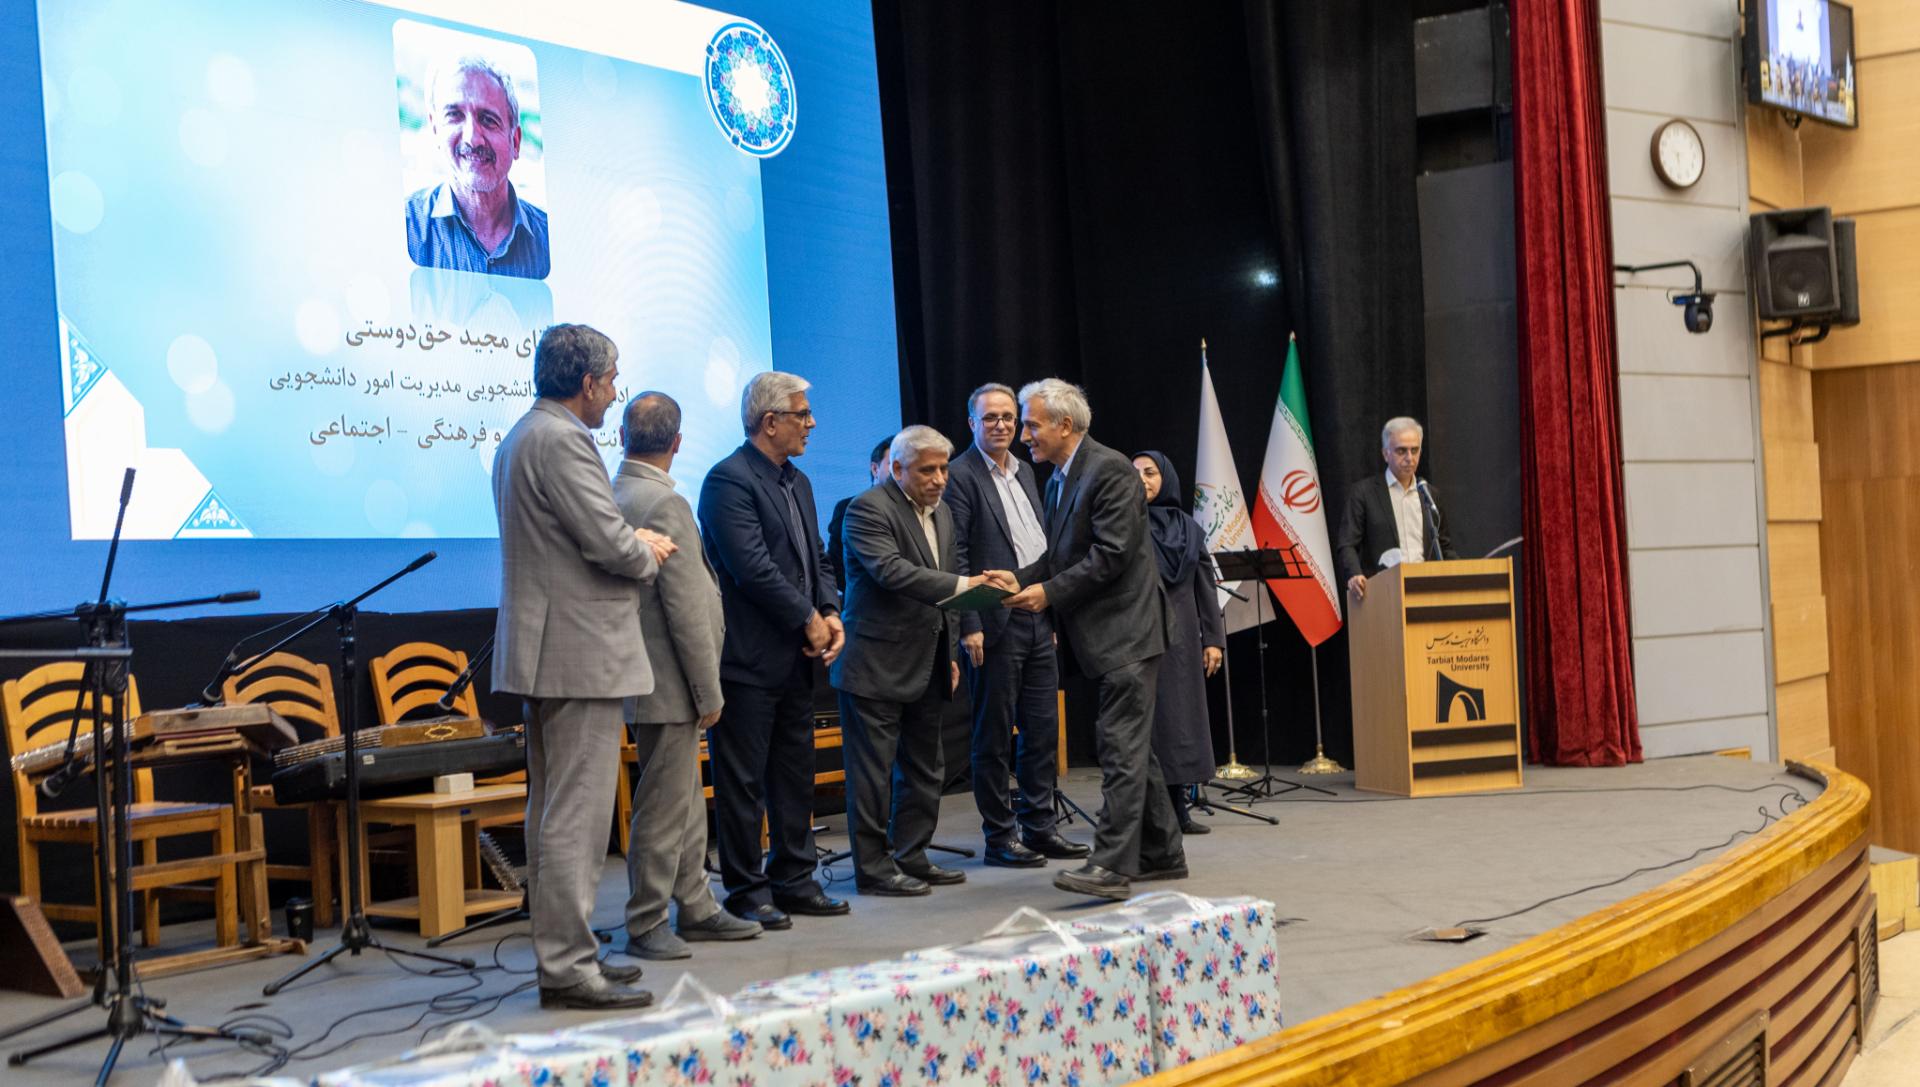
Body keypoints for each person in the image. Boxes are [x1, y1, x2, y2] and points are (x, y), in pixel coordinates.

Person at [491, 323, 676, 1010]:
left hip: (548, 649)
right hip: (578, 652)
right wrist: (647, 548)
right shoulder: (565, 439)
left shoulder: (521, 435)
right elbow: (607, 542)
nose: (614, 392)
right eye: (612, 379)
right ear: (589, 382)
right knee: (576, 815)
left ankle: (567, 953)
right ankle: (568, 965)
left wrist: (628, 538)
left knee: (552, 810)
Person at [1005, 378, 1185, 901]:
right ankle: (1163, 853)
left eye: (1031, 425)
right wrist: (1016, 579)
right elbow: (1061, 557)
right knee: (1132, 747)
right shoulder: (1059, 480)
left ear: (1065, 425)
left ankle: (1110, 865)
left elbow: (1112, 554)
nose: (1023, 436)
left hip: (1129, 632)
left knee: (1119, 745)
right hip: (1105, 637)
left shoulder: (1109, 470)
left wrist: (1047, 594)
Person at [611, 392, 764, 959]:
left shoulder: (613, 492)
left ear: (622, 436)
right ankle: (648, 920)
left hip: (643, 674)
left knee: (681, 797)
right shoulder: (664, 502)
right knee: (663, 805)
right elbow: (685, 608)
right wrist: (708, 689)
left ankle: (696, 905)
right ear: (678, 442)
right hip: (671, 677)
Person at [833, 426, 1013, 895]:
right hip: (874, 664)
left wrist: (949, 652)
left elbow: (946, 587)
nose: (939, 479)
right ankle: (874, 870)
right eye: (927, 470)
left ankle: (912, 856)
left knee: (924, 768)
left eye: (943, 469)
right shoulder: (868, 508)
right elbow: (892, 572)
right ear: (896, 469)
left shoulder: (944, 512)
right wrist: (966, 585)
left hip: (929, 660)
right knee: (872, 775)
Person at [698, 371, 848, 930]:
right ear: (769, 422)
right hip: (747, 659)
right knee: (742, 781)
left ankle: (795, 880)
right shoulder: (727, 481)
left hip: (798, 659)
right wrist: (807, 618)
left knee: (794, 773)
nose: (812, 423)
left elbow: (819, 558)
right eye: (802, 414)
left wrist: (829, 610)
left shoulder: (798, 482)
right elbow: (752, 568)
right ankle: (746, 890)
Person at [945, 383, 1083, 868]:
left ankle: (1040, 828)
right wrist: (969, 623)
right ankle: (1000, 837)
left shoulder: (1027, 470)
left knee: (1043, 731)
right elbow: (956, 553)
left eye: (1009, 417)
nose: (1002, 425)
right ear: (972, 424)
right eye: (990, 418)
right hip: (992, 624)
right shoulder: (960, 475)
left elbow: (1042, 547)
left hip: (1037, 616)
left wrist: (1050, 611)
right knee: (994, 736)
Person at [1131, 451, 1225, 835]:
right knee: (1151, 727)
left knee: (1182, 725)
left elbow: (1206, 587)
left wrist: (1213, 640)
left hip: (1183, 641)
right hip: (1140, 638)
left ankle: (1179, 809)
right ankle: (1149, 815)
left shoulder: (1189, 529)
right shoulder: (1126, 523)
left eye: (1150, 473)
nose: (1142, 480)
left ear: (1165, 478)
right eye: (1135, 474)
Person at [405, 56, 550, 280]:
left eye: (488, 119)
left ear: (516, 141)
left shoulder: (551, 239)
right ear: (436, 130)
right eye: (454, 116)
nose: (472, 139)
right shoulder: (404, 227)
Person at [1335, 416, 1457, 601]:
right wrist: (1354, 575)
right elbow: (1347, 544)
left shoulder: (1429, 494)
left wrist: (1464, 573)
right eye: (1401, 451)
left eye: (1414, 450)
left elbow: (1444, 546)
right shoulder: (1364, 493)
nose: (1409, 458)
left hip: (1427, 593)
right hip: (1384, 594)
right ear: (1386, 454)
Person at [825, 437, 894, 591]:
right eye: (893, 464)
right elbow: (836, 567)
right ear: (875, 469)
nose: (901, 471)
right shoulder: (848, 508)